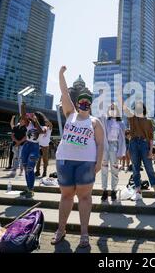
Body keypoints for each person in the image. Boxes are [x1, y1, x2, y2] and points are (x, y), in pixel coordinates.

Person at [52, 66, 104, 248]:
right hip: (65, 161)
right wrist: (61, 75)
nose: (84, 103)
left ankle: (84, 233)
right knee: (66, 196)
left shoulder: (95, 122)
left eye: (87, 102)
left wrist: (98, 163)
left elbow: (100, 143)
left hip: (86, 163)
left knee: (84, 197)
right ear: (77, 102)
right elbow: (64, 93)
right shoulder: (70, 114)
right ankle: (61, 229)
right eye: (81, 101)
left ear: (90, 104)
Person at [121, 96, 155, 204]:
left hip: (144, 144)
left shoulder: (148, 121)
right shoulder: (132, 118)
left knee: (150, 169)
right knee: (135, 169)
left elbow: (150, 137)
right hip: (134, 143)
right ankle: (138, 192)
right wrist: (119, 95)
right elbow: (124, 108)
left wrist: (150, 151)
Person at [19, 102, 48, 198]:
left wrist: (36, 121)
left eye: (34, 116)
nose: (32, 117)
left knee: (30, 168)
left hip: (35, 147)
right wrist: (23, 107)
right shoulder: (29, 124)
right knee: (25, 168)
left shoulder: (44, 127)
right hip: (26, 146)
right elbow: (23, 117)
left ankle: (31, 190)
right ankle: (28, 188)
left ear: (38, 117)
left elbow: (40, 131)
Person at [100, 103, 126, 202]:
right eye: (111, 109)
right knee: (104, 169)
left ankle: (114, 190)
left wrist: (121, 152)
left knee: (114, 169)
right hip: (105, 146)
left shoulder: (121, 123)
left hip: (115, 146)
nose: (112, 110)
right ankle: (104, 190)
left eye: (114, 109)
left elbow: (122, 140)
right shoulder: (105, 121)